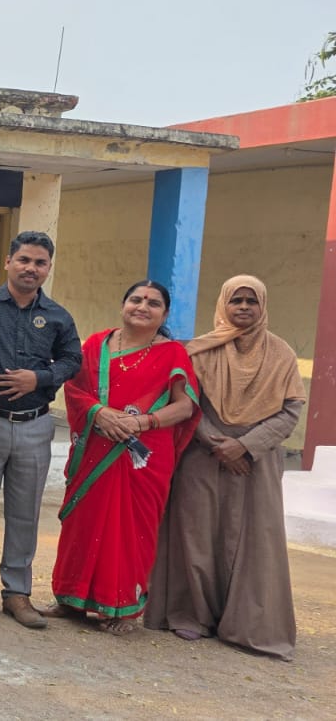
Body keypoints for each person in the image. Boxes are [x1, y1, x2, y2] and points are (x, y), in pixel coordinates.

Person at [146, 276, 304, 659]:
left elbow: (291, 410)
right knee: (195, 535)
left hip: (256, 461)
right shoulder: (199, 351)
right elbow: (185, 401)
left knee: (253, 541)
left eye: (252, 301)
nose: (245, 307)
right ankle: (190, 614)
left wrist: (245, 446)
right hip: (203, 455)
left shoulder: (281, 354)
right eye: (237, 300)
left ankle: (246, 622)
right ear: (223, 304)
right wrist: (217, 443)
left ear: (262, 305)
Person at [46, 280, 199, 635]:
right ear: (123, 304)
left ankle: (121, 607)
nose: (142, 306)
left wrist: (142, 422)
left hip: (142, 457)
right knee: (83, 522)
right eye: (136, 299)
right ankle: (71, 598)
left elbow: (185, 405)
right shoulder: (96, 344)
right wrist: (100, 413)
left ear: (165, 313)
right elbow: (75, 388)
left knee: (133, 527)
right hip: (95, 447)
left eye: (153, 302)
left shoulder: (173, 353)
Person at [0, 231, 81, 629]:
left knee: (25, 512)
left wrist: (39, 378)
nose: (31, 268)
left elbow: (72, 360)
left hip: (34, 423)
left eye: (40, 262)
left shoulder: (58, 316)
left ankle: (18, 592)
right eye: (24, 260)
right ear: (8, 262)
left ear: (48, 268)